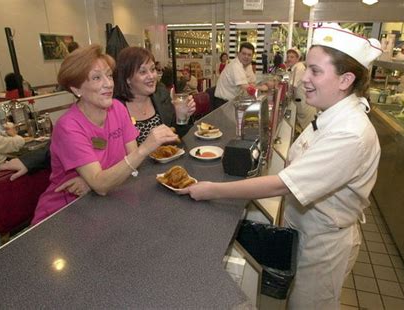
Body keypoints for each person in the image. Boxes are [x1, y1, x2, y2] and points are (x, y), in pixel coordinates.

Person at [181, 23, 383, 309]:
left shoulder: (349, 133)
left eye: (316, 71)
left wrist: (211, 189)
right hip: (305, 230)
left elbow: (283, 183)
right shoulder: (332, 115)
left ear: (345, 79)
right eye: (307, 68)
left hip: (322, 244)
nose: (305, 79)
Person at [31, 44, 178, 225]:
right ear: (76, 89)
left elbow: (130, 165)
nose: (108, 84)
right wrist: (145, 148)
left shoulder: (117, 108)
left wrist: (92, 181)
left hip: (106, 204)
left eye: (109, 75)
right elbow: (102, 184)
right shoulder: (69, 126)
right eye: (96, 78)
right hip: (65, 214)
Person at [113, 46, 196, 145]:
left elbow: (176, 135)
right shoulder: (115, 109)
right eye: (143, 72)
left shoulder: (161, 95)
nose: (151, 76)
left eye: (153, 69)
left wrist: (183, 117)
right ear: (127, 78)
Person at [286, 47, 317, 129]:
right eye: (288, 56)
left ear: (297, 58)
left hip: (305, 105)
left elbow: (292, 86)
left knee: (310, 129)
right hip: (300, 103)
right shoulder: (294, 68)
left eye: (292, 57)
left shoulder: (299, 67)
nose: (289, 59)